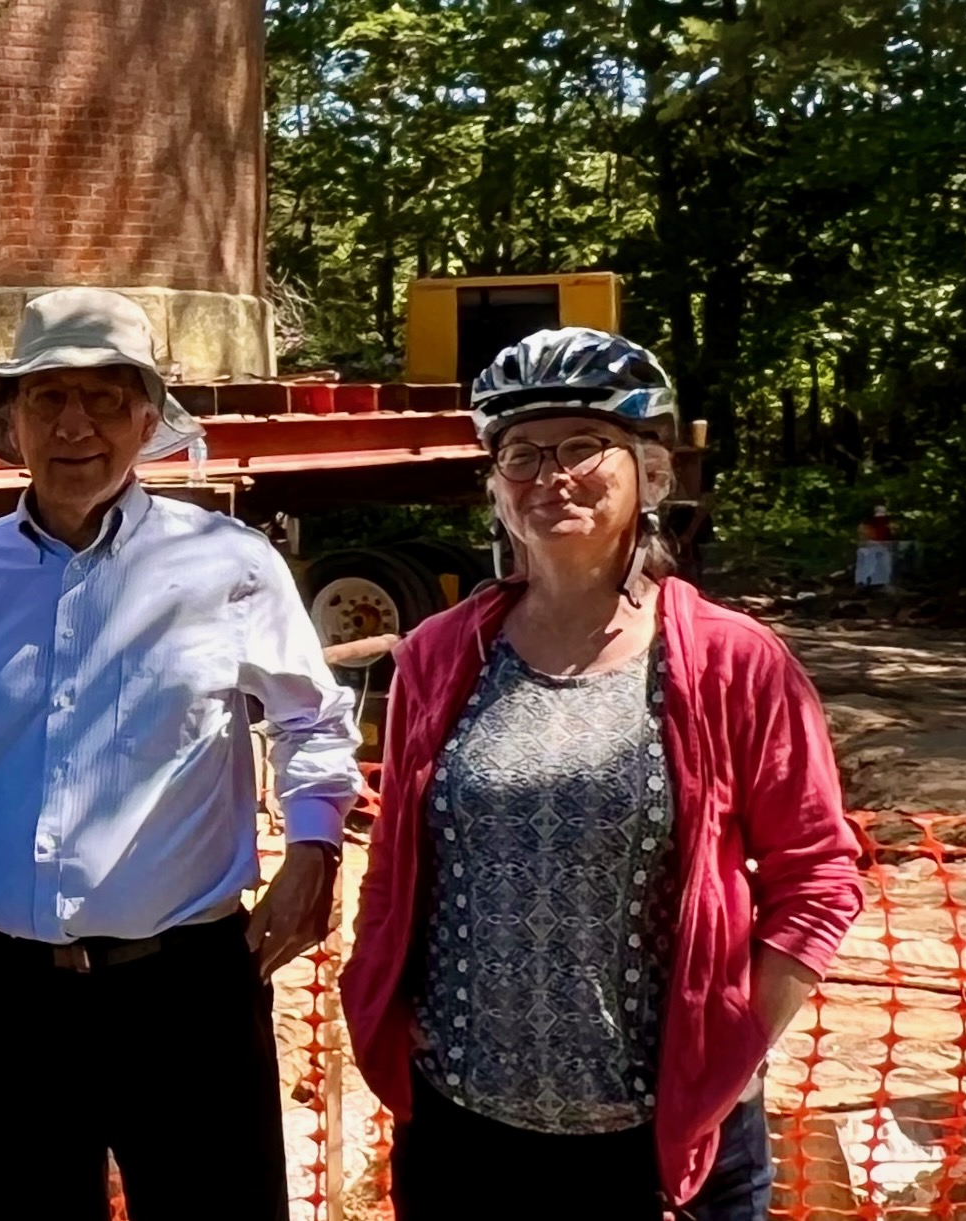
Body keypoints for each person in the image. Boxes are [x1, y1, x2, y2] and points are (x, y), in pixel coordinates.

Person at [341, 328, 865, 1220]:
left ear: (650, 475)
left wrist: (730, 1048)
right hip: (464, 1133)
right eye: (520, 453)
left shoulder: (733, 663)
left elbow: (816, 875)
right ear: (494, 487)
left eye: (583, 445)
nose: (550, 473)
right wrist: (394, 1011)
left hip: (656, 1143)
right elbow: (396, 864)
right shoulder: (438, 654)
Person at [0, 288, 363, 1220]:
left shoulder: (228, 564)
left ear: (147, 418)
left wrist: (313, 848)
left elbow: (310, 720)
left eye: (105, 397)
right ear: (12, 420)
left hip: (183, 995)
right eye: (47, 398)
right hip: (0, 1004)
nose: (75, 424)